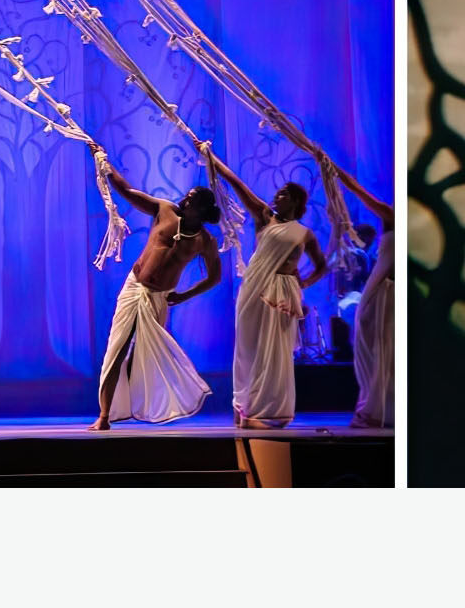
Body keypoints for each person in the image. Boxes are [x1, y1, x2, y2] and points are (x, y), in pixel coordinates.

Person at [201, 145, 328, 429]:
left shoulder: (304, 233)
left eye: (283, 194)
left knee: (275, 351)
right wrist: (211, 158)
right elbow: (237, 184)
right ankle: (242, 405)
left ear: (295, 200)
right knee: (248, 347)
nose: (276, 197)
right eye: (277, 193)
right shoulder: (264, 217)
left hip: (282, 293)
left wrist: (304, 282)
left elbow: (322, 265)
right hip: (255, 288)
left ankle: (267, 409)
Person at [92, 164, 222, 430]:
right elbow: (127, 191)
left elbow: (214, 277)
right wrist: (105, 164)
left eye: (192, 200)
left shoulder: (204, 241)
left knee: (146, 355)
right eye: (187, 197)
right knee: (117, 348)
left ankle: (148, 404)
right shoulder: (164, 211)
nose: (185, 200)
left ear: (203, 211)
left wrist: (184, 296)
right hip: (135, 289)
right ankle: (104, 416)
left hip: (159, 298)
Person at [339, 172, 394, 429]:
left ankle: (391, 407)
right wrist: (332, 169)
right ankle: (375, 406)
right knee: (378, 350)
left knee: (394, 352)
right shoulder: (391, 215)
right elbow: (357, 189)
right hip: (383, 293)